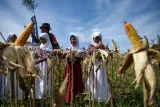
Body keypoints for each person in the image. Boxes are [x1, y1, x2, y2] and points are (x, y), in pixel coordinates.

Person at [86, 32, 111, 102]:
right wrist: (97, 47)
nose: (97, 39)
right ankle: (93, 97)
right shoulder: (91, 45)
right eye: (95, 38)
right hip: (93, 65)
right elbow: (88, 52)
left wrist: (104, 48)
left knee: (101, 79)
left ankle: (101, 98)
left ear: (100, 38)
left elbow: (108, 53)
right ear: (93, 38)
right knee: (94, 80)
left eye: (98, 38)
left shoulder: (103, 45)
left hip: (101, 66)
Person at [64, 35, 84, 104]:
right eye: (71, 39)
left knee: (77, 82)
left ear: (77, 40)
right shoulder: (68, 48)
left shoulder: (80, 49)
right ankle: (69, 100)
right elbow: (64, 56)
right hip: (69, 67)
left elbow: (81, 58)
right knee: (70, 82)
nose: (73, 41)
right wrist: (67, 54)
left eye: (74, 39)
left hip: (77, 67)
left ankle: (78, 100)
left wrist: (74, 54)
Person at [34, 32, 53, 99]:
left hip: (45, 65)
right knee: (38, 79)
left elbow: (47, 57)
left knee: (45, 79)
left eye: (43, 39)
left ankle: (45, 96)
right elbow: (35, 56)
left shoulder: (50, 48)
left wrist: (38, 60)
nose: (42, 40)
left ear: (47, 39)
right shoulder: (38, 48)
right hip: (38, 66)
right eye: (41, 39)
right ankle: (37, 95)